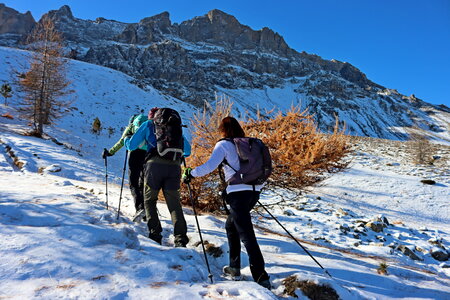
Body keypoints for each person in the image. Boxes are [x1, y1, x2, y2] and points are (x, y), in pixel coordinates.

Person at [183, 116, 271, 289]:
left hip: (237, 195)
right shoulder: (253, 144)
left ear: (223, 130)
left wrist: (191, 173)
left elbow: (209, 166)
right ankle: (234, 267)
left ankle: (261, 277)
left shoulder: (223, 145)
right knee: (231, 226)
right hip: (254, 193)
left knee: (247, 236)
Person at [124, 107, 191, 247]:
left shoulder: (148, 124)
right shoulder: (174, 127)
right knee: (174, 204)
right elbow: (187, 151)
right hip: (174, 167)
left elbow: (132, 145)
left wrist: (126, 138)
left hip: (154, 166)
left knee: (149, 200)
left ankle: (155, 234)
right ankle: (180, 239)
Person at [103, 113, 148, 214]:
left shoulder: (131, 127)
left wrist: (110, 152)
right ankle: (147, 208)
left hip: (135, 155)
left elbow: (122, 141)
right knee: (143, 183)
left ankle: (140, 208)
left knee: (134, 183)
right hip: (148, 155)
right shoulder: (148, 125)